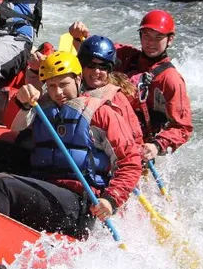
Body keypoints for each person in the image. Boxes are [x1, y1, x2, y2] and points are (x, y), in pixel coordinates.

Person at [0, 52, 142, 237]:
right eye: (52, 86)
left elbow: (130, 163)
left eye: (64, 85)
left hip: (79, 203)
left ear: (78, 79)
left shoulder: (101, 113)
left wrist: (110, 200)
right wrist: (22, 102)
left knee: (2, 184)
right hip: (46, 184)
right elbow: (14, 126)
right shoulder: (43, 106)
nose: (58, 93)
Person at [69, 10, 193, 161]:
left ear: (170, 39)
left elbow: (182, 127)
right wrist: (79, 37)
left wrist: (157, 145)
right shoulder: (125, 54)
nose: (151, 43)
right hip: (105, 127)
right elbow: (93, 53)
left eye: (158, 37)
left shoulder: (170, 79)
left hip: (137, 146)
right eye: (146, 36)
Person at [76, 35, 144, 149]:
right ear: (82, 66)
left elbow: (135, 138)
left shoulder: (117, 98)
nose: (96, 71)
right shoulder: (71, 89)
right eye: (91, 65)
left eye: (103, 66)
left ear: (109, 70)